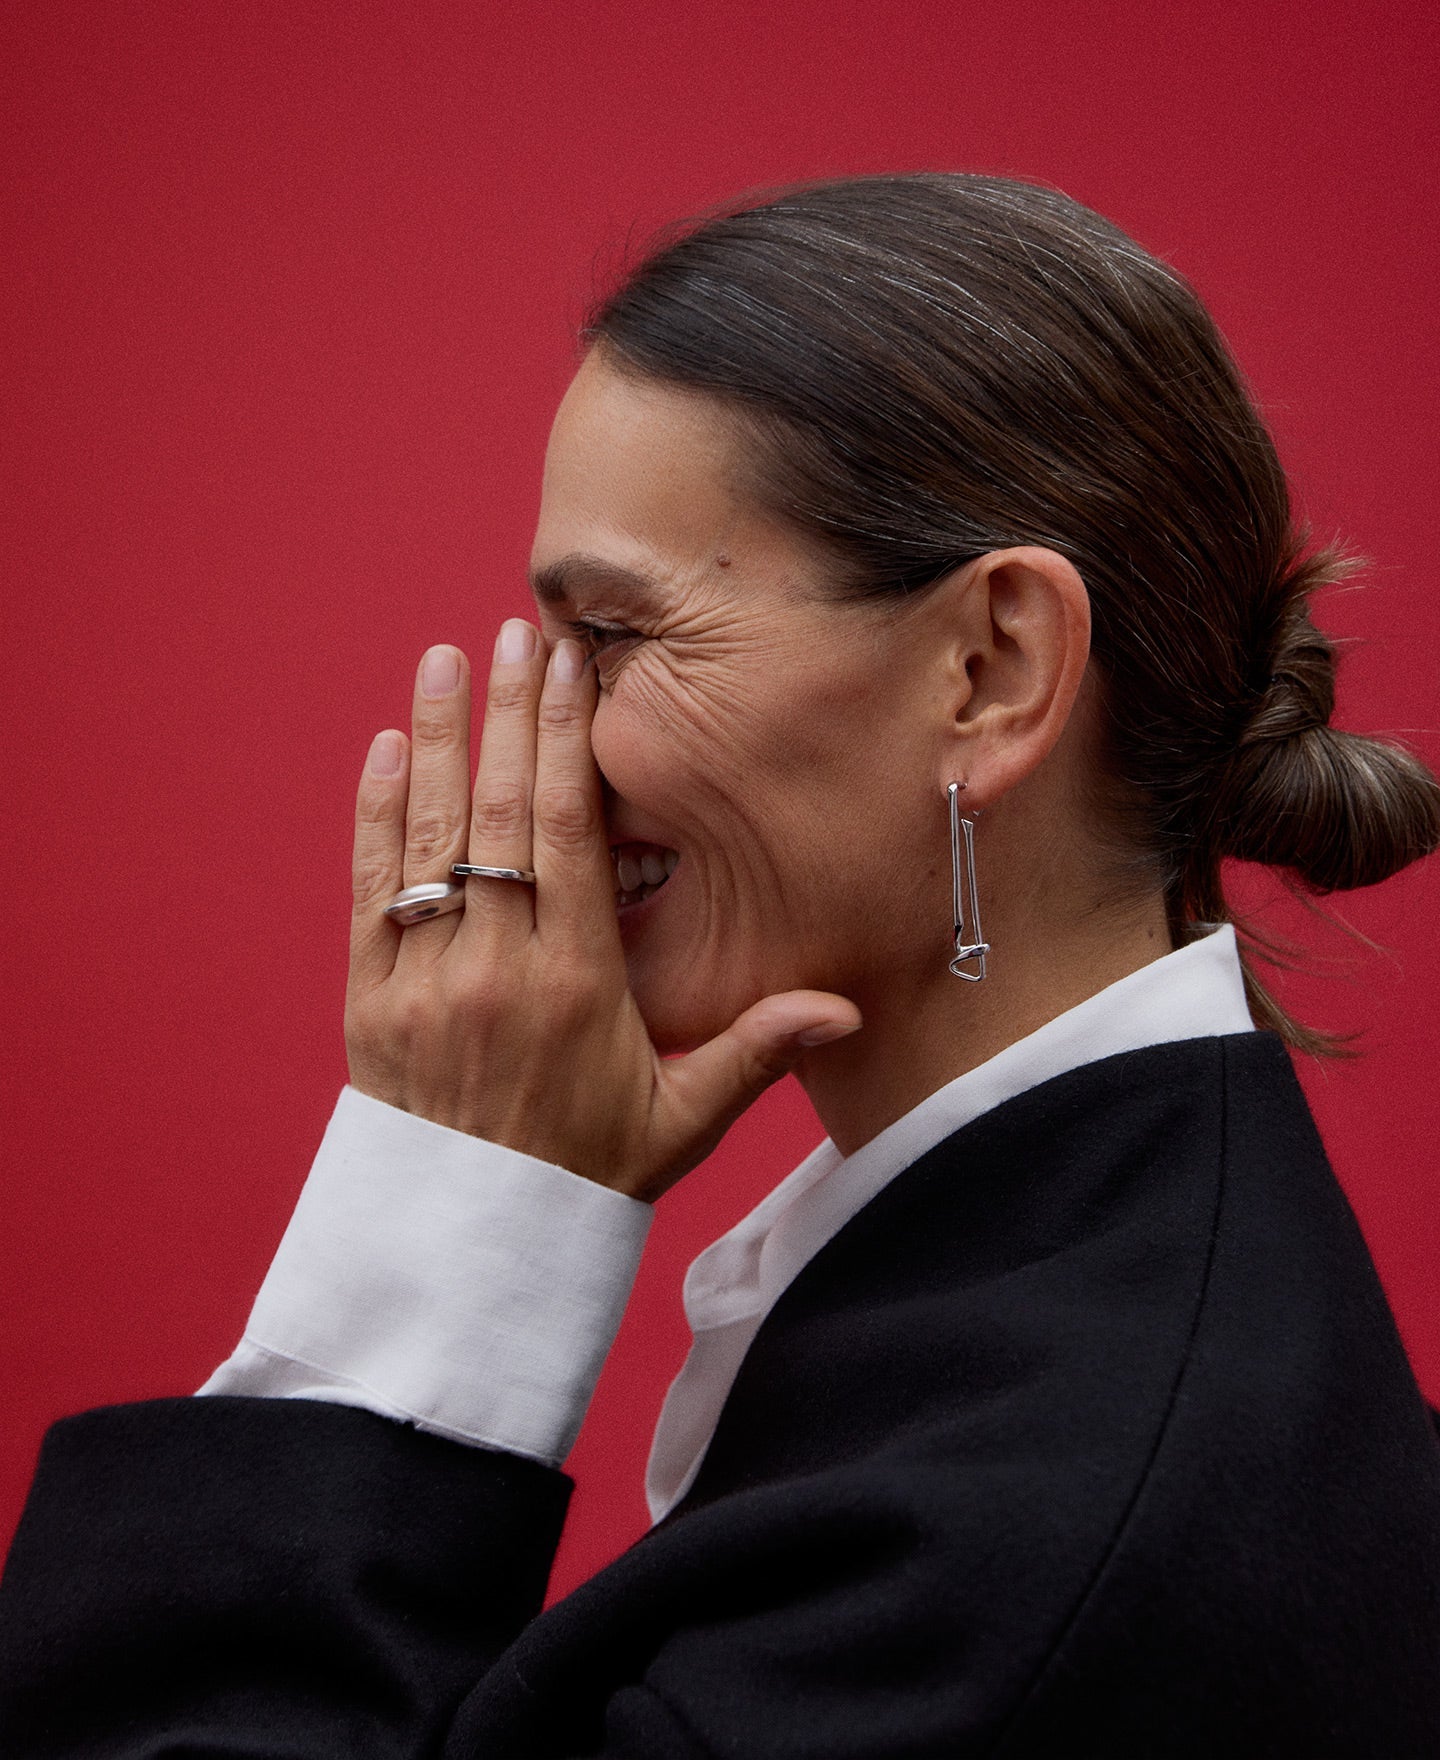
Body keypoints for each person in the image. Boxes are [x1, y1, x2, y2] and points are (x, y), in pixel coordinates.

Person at [2, 172, 1439, 1757]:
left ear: (992, 668)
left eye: (615, 636)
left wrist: (449, 1214)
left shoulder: (1015, 1556)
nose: (550, 755)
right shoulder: (1107, 1323)